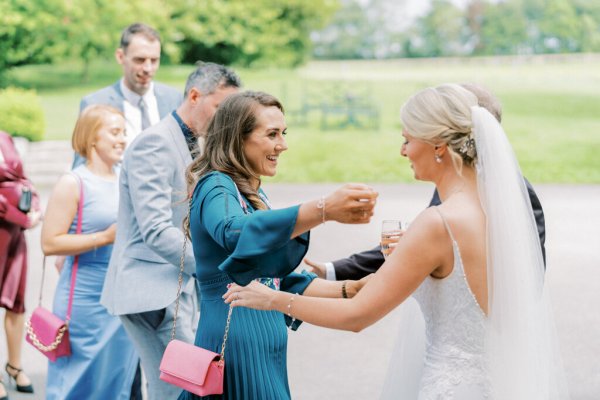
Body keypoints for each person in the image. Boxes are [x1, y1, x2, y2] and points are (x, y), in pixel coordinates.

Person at [225, 84, 569, 399]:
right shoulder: (497, 210)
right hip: (493, 380)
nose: (403, 151)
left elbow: (357, 316)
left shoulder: (439, 223)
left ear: (437, 145)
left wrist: (274, 299)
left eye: (408, 138)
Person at [178, 91, 377, 400]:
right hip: (236, 343)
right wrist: (321, 210)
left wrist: (350, 289)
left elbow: (275, 281)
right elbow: (234, 232)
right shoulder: (216, 185)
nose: (282, 144)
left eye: (283, 133)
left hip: (264, 341)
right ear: (237, 138)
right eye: (272, 134)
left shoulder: (250, 191)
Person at [305, 83, 547, 281]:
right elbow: (426, 242)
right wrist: (333, 270)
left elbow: (531, 272)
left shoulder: (514, 190)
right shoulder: (452, 180)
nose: (402, 150)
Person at [100, 62, 241, 400]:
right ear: (195, 95)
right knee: (176, 391)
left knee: (184, 389)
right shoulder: (155, 144)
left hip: (175, 287)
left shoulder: (196, 143)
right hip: (151, 289)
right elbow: (156, 229)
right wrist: (215, 269)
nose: (226, 120)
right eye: (221, 107)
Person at [41, 105, 138, 399]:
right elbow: (50, 243)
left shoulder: (126, 178)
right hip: (83, 300)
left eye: (124, 132)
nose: (122, 139)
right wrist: (104, 237)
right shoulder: (74, 182)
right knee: (76, 380)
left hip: (122, 297)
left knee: (116, 379)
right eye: (114, 132)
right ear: (92, 137)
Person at [73, 22, 182, 167]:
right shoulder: (94, 103)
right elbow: (82, 165)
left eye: (154, 60)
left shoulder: (174, 99)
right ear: (120, 56)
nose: (148, 68)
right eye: (140, 60)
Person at [0, 131, 41, 399]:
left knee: (16, 302)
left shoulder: (4, 137)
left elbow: (22, 177)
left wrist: (34, 203)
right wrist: (21, 217)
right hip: (6, 227)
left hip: (15, 235)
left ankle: (14, 366)